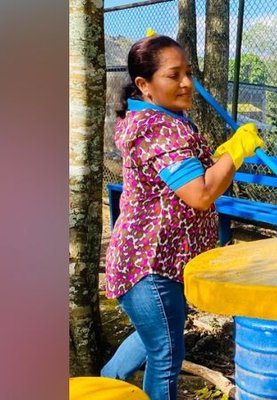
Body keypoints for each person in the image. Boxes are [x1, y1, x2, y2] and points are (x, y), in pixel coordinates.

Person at [100, 34, 264, 400]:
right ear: (144, 85)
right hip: (150, 265)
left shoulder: (161, 117)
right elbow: (201, 194)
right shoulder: (157, 128)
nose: (187, 83)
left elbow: (192, 177)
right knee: (166, 353)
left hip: (159, 260)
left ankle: (105, 383)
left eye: (188, 72)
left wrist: (218, 158)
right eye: (174, 75)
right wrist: (233, 154)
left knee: (154, 338)